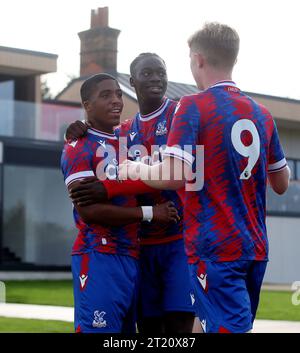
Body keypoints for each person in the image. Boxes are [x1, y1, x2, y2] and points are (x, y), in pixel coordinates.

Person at [118, 23, 290, 333]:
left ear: (197, 59)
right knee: (209, 324)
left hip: (215, 247)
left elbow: (174, 173)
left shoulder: (193, 105)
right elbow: (281, 183)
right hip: (255, 246)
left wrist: (135, 169)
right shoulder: (261, 113)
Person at [66, 54, 195, 334]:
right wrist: (79, 128)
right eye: (147, 73)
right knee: (146, 327)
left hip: (179, 241)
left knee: (179, 327)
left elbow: (180, 176)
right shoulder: (124, 132)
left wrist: (107, 187)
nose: (156, 79)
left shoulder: (181, 115)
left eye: (161, 72)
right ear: (133, 81)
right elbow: (101, 149)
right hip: (141, 244)